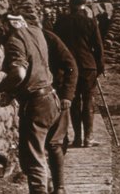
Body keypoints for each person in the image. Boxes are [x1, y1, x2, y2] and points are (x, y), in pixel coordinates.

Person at [0, 13, 61, 194]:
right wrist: (12, 92)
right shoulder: (34, 31)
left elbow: (19, 74)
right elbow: (34, 68)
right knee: (38, 154)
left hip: (36, 104)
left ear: (2, 30)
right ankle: (49, 188)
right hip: (50, 98)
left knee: (34, 160)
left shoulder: (13, 41)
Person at [54, 0, 105, 148]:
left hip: (68, 67)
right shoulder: (90, 22)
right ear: (84, 7)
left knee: (74, 101)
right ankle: (88, 138)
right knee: (88, 100)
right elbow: (98, 47)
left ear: (70, 6)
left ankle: (77, 138)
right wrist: (100, 66)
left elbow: (56, 46)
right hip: (88, 66)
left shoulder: (61, 22)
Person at [43, 29, 78, 194]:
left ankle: (59, 187)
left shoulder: (49, 38)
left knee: (54, 142)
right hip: (37, 97)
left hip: (58, 93)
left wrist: (67, 95)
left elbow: (71, 65)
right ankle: (49, 180)